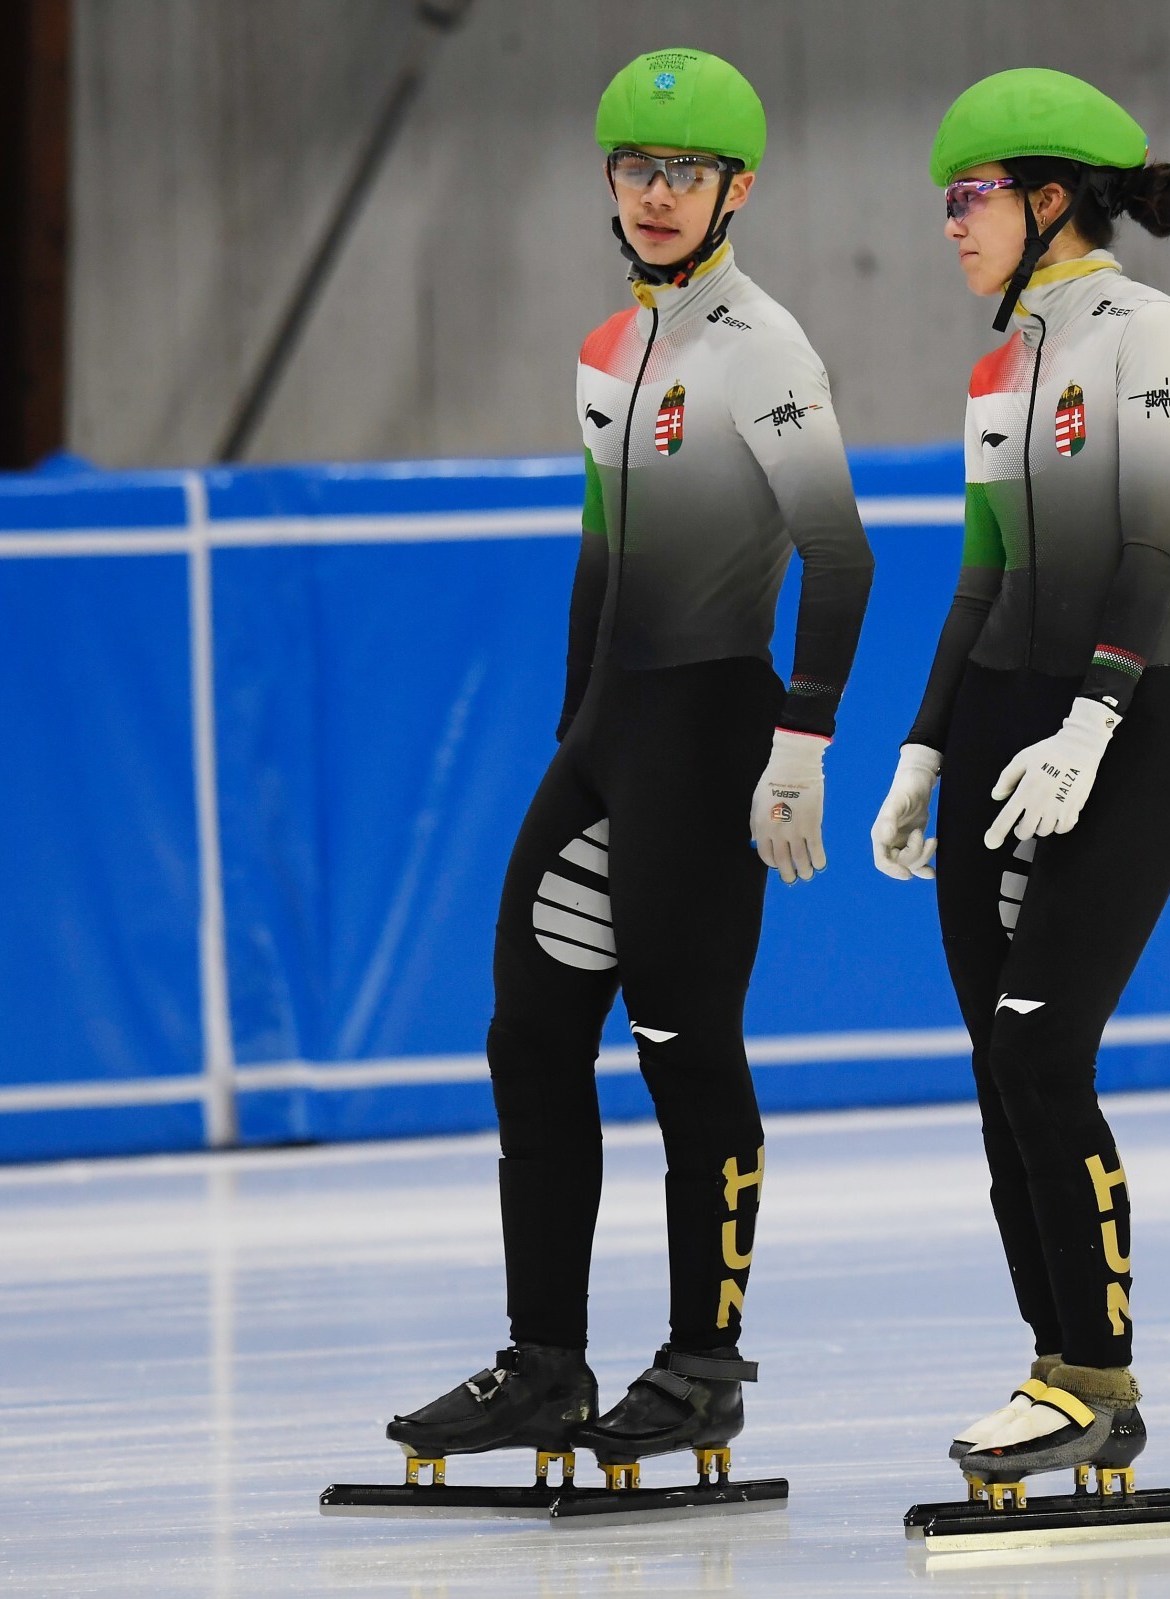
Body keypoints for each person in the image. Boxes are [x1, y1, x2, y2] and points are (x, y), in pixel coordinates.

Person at [384, 48, 872, 1487]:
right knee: (530, 1038)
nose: (657, 194)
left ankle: (704, 1367)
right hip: (608, 738)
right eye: (635, 169)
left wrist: (802, 742)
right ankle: (546, 1363)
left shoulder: (763, 349)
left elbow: (841, 555)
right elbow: (601, 550)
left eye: (685, 172)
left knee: (682, 1048)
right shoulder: (612, 346)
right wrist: (575, 732)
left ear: (737, 190)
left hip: (713, 734)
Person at [868, 68, 1170, 1495]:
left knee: (1038, 1051)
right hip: (999, 728)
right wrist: (925, 745)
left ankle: (1101, 1380)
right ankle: (1053, 1365)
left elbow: (1159, 542)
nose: (950, 223)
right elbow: (982, 579)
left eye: (970, 197)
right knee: (995, 1071)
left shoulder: (1149, 332)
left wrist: (1092, 719)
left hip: (1118, 727)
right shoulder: (999, 364)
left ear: (1050, 198)